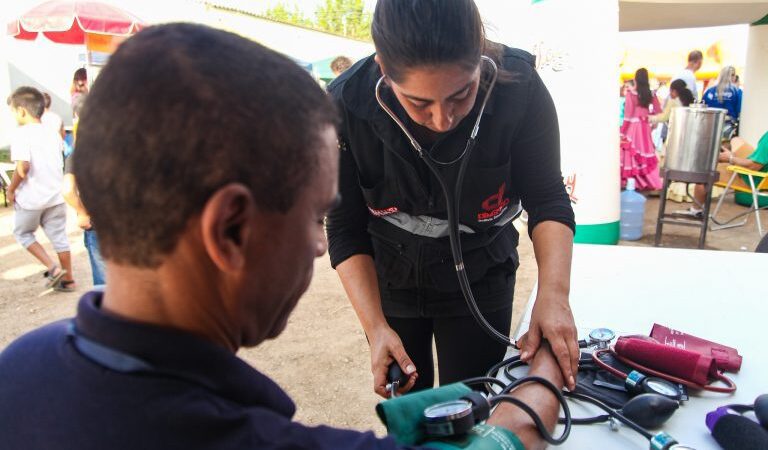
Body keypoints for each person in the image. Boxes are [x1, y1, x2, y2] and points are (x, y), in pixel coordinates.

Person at [0, 23, 565, 450]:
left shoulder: (21, 366)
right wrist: (544, 378)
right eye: (315, 214)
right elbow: (510, 436)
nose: (322, 244)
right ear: (231, 228)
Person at [326, 0, 578, 399]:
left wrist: (554, 295)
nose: (443, 120)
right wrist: (375, 328)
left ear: (481, 58)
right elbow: (344, 227)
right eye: (419, 103)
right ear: (383, 70)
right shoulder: (345, 106)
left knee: (475, 407)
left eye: (462, 95)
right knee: (412, 414)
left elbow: (547, 198)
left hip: (483, 272)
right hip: (393, 276)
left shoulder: (522, 90)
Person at [6, 86, 76, 292]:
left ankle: (52, 268)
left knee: (23, 233)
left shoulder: (21, 134)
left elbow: (23, 167)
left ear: (21, 111)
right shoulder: (52, 133)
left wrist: (11, 190)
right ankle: (69, 280)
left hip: (31, 198)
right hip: (55, 196)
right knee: (59, 238)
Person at [686, 132, 768, 218]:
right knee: (736, 140)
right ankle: (728, 155)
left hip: (752, 178)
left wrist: (730, 159)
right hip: (762, 174)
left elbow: (753, 166)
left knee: (704, 171)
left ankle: (696, 211)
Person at [620, 68, 663, 191]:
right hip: (645, 126)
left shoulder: (631, 93)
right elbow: (658, 112)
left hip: (633, 128)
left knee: (631, 154)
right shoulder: (651, 94)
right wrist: (650, 120)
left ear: (636, 78)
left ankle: (633, 183)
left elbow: (628, 114)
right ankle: (650, 182)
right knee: (646, 154)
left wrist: (623, 131)